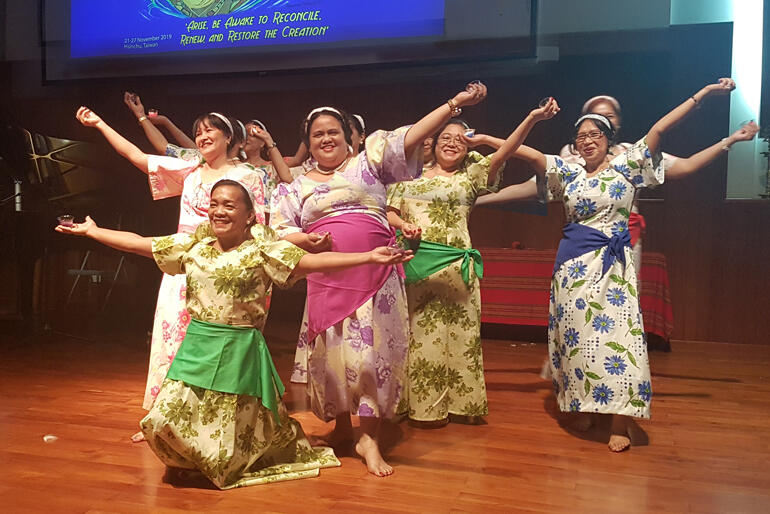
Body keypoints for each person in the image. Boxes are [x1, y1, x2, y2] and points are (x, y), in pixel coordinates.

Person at [55, 179, 413, 489]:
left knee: (229, 434)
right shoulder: (192, 245)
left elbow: (310, 263)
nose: (219, 211)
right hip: (197, 345)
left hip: (239, 348)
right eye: (214, 204)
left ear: (248, 215)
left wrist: (368, 257)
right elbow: (141, 243)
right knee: (161, 421)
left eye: (229, 205)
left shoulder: (263, 250)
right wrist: (93, 231)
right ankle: (196, 461)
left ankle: (221, 461)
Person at [512, 86, 750, 451]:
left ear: (610, 135)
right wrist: (484, 137)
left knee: (620, 341)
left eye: (596, 133)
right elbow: (530, 159)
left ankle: (620, 421)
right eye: (581, 136)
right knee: (577, 342)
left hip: (614, 266)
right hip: (573, 268)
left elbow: (662, 131)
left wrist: (703, 96)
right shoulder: (569, 170)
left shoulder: (629, 163)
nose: (588, 141)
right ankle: (584, 405)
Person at [270, 82, 488, 476]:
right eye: (317, 134)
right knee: (333, 358)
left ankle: (368, 436)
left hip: (375, 274)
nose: (325, 138)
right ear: (308, 143)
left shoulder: (367, 163)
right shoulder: (295, 187)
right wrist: (305, 238)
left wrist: (453, 104)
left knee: (370, 357)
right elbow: (280, 231)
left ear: (349, 137)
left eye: (333, 131)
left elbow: (411, 135)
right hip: (329, 276)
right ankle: (341, 427)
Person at [75, 107, 266, 440]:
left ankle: (208, 418)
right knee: (172, 340)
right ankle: (163, 418)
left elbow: (260, 227)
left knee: (213, 345)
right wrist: (101, 123)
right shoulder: (190, 170)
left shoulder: (248, 176)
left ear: (228, 137)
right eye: (199, 132)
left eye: (211, 131)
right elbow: (136, 156)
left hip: (221, 270)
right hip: (183, 264)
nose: (203, 136)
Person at [385, 100, 559, 426]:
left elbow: (507, 151)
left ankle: (461, 407)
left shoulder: (471, 176)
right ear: (432, 144)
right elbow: (390, 211)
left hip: (458, 272)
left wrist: (532, 117)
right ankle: (423, 408)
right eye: (445, 138)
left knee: (462, 340)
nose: (452, 143)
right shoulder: (407, 177)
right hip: (419, 269)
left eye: (460, 138)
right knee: (422, 338)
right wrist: (403, 225)